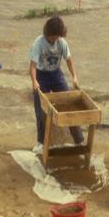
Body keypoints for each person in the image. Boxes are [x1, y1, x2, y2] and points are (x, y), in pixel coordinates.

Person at [29, 16, 84, 154]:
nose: (54, 39)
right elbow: (32, 66)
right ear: (47, 33)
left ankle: (79, 140)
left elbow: (69, 60)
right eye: (53, 36)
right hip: (41, 74)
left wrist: (74, 77)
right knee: (41, 110)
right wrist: (34, 81)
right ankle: (41, 142)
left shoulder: (62, 43)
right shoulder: (38, 43)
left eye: (57, 36)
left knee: (69, 104)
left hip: (56, 74)